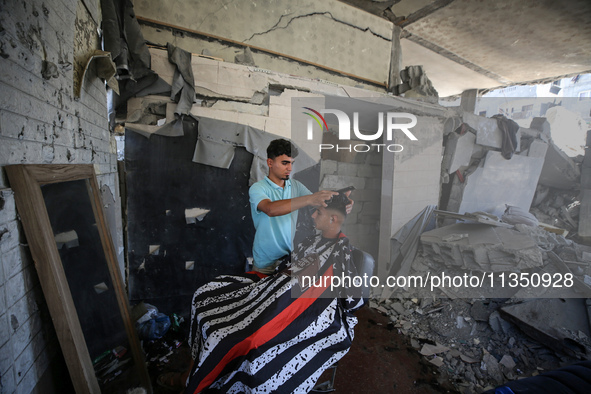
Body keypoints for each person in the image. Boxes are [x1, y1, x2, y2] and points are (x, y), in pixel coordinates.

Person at [179, 192, 363, 393]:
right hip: (271, 292)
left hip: (295, 310)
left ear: (333, 219)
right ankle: (194, 373)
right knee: (206, 296)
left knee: (230, 336)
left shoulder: (341, 252)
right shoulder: (313, 240)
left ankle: (204, 381)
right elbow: (288, 267)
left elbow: (353, 300)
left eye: (317, 212)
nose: (312, 216)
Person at [249, 138, 351, 274]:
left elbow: (317, 202)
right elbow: (270, 209)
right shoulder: (258, 188)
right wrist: (309, 199)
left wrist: (341, 203)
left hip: (289, 260)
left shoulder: (296, 186)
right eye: (285, 163)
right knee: (262, 294)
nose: (290, 168)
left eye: (292, 163)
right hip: (266, 263)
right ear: (270, 163)